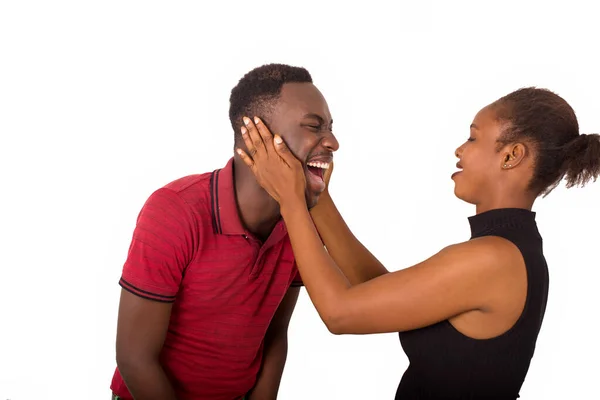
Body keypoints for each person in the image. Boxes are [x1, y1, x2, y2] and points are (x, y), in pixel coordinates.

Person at [236, 87, 600, 399]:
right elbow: (374, 290)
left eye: (473, 138)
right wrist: (317, 198)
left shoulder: (493, 258)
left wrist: (291, 201)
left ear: (511, 155)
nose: (460, 149)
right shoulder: (509, 248)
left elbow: (339, 313)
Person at [110, 63, 339, 400]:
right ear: (255, 135)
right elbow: (134, 357)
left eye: (331, 128)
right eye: (314, 126)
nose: (332, 142)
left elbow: (274, 336)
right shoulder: (175, 210)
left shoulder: (301, 225)